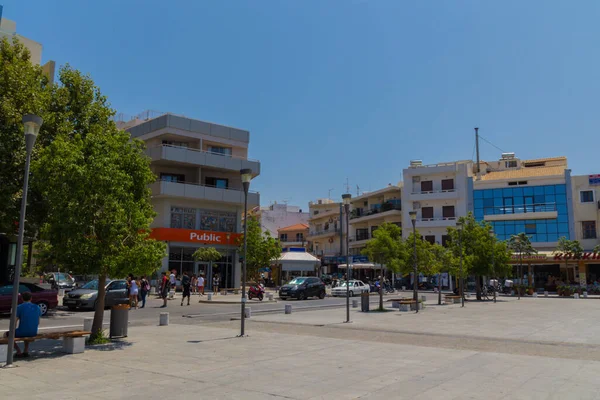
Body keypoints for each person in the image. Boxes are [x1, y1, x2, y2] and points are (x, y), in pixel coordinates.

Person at [3, 292, 41, 358]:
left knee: (6, 335)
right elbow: (38, 322)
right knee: (26, 333)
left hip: (23, 332)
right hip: (33, 332)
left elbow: (14, 321)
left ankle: (18, 351)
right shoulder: (37, 307)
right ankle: (26, 351)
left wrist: (12, 331)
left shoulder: (19, 307)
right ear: (31, 298)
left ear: (22, 298)